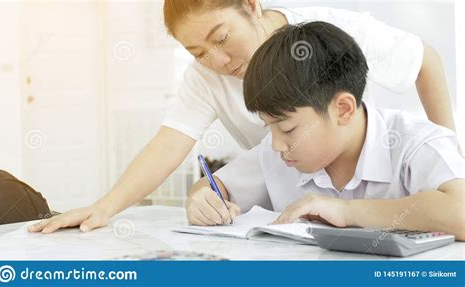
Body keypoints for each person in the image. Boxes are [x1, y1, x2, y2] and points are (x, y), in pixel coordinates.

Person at [29, 0, 457, 234]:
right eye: (197, 53)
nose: (216, 60)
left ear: (250, 6)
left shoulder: (324, 34)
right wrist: (107, 207)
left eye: (221, 38)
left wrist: (449, 155)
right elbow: (171, 147)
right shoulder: (271, 152)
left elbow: (425, 61)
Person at [185, 21, 464, 240]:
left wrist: (347, 212)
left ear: (342, 109)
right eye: (269, 127)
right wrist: (202, 199)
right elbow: (215, 186)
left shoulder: (416, 143)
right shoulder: (279, 155)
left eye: (287, 128)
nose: (276, 144)